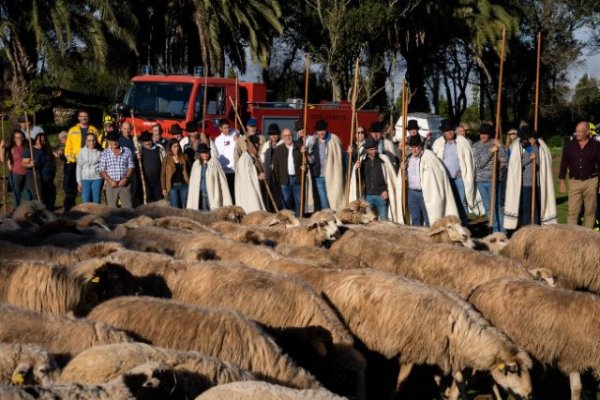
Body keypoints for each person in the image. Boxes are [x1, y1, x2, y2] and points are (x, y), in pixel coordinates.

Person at [397, 134, 459, 226]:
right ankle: (417, 238)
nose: (413, 150)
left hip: (425, 193)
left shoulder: (429, 156)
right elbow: (405, 177)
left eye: (415, 147)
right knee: (415, 218)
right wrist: (403, 169)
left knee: (429, 218)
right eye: (411, 147)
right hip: (412, 193)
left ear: (421, 146)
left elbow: (437, 173)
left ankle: (429, 237)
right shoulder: (408, 159)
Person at [504, 127, 557, 230]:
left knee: (534, 209)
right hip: (524, 183)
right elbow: (515, 164)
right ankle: (526, 228)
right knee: (525, 208)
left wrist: (532, 151)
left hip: (534, 183)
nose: (526, 141)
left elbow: (538, 162)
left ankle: (534, 229)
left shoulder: (537, 146)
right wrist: (529, 158)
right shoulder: (520, 147)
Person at [431, 119, 476, 225]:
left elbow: (469, 159)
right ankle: (452, 227)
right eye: (447, 130)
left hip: (458, 178)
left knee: (461, 203)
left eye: (451, 130)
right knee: (448, 204)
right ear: (444, 132)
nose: (450, 132)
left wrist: (463, 170)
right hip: (445, 180)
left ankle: (464, 226)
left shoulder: (462, 141)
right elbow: (434, 161)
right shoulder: (438, 143)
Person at [559, 121, 600, 229]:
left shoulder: (596, 146)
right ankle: (570, 237)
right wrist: (562, 180)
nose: (577, 133)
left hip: (591, 182)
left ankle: (587, 237)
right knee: (573, 211)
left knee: (590, 211)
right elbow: (564, 163)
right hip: (574, 182)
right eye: (576, 131)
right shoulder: (569, 146)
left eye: (580, 131)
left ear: (587, 132)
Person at [350, 137, 398, 221]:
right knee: (369, 222)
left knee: (384, 221)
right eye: (371, 149)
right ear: (367, 150)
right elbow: (358, 180)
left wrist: (386, 190)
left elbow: (389, 178)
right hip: (368, 196)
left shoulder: (383, 160)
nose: (374, 151)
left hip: (381, 195)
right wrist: (357, 169)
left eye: (375, 148)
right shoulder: (363, 161)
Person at [472, 123, 507, 232]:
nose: (483, 136)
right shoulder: (475, 146)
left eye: (486, 134)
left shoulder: (495, 142)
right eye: (481, 133)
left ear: (489, 134)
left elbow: (504, 159)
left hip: (493, 180)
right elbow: (478, 164)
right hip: (481, 181)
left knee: (497, 207)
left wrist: (500, 148)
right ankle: (496, 230)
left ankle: (503, 231)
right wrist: (490, 151)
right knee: (488, 208)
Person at [64, 110, 99, 211]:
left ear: (88, 118)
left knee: (90, 190)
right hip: (74, 163)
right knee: (71, 189)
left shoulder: (94, 130)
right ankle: (69, 209)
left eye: (86, 116)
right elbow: (67, 148)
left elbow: (99, 145)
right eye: (81, 116)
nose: (84, 118)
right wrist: (72, 159)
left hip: (90, 164)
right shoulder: (72, 130)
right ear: (78, 118)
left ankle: (92, 209)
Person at [307, 119, 344, 211]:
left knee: (333, 198)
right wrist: (306, 155)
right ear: (316, 131)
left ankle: (335, 216)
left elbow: (340, 156)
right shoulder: (313, 141)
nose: (321, 132)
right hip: (319, 176)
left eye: (323, 130)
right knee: (324, 201)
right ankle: (328, 218)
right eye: (319, 130)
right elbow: (312, 160)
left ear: (326, 129)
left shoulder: (334, 139)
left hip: (332, 175)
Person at [187, 143, 232, 211]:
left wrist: (226, 197)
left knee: (212, 212)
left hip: (212, 193)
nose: (205, 154)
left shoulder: (214, 163)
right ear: (199, 154)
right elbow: (192, 183)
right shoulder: (196, 164)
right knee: (202, 212)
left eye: (206, 152)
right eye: (203, 153)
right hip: (200, 194)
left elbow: (222, 180)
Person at [272, 127, 305, 216]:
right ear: (282, 137)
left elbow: (305, 162)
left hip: (297, 179)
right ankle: (288, 222)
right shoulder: (278, 149)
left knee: (298, 202)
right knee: (286, 202)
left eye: (289, 135)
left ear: (292, 136)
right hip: (284, 180)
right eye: (285, 136)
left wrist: (304, 167)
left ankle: (299, 221)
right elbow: (276, 166)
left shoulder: (299, 147)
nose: (287, 137)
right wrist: (278, 180)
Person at [22, 127, 56, 210]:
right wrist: (30, 164)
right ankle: (40, 218)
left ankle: (49, 217)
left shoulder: (46, 149)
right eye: (39, 138)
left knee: (50, 200)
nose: (42, 140)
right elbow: (23, 163)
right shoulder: (30, 149)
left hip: (48, 179)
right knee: (39, 200)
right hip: (36, 178)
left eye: (43, 138)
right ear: (35, 138)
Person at [99, 131, 134, 208]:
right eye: (112, 140)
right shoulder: (104, 153)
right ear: (108, 141)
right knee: (112, 209)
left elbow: (131, 167)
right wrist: (109, 181)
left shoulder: (127, 151)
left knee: (128, 208)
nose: (114, 142)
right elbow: (102, 170)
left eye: (116, 140)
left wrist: (126, 178)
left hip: (125, 184)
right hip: (111, 184)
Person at [235, 134, 268, 213]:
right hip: (248, 195)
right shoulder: (245, 160)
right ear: (251, 146)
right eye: (257, 145)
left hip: (255, 189)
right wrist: (258, 177)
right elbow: (245, 178)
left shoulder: (253, 157)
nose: (259, 147)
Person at [0, 129, 32, 207]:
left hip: (27, 173)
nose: (19, 139)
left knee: (28, 194)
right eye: (17, 138)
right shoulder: (11, 148)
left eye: (21, 137)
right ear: (14, 139)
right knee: (17, 195)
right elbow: (2, 159)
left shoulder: (27, 147)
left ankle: (28, 212)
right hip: (15, 174)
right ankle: (16, 212)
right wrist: (1, 147)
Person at [260, 124, 283, 212]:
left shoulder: (282, 144)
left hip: (279, 175)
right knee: (269, 196)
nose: (273, 136)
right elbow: (262, 160)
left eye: (275, 134)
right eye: (272, 134)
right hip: (269, 175)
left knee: (279, 196)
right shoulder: (266, 145)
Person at [76, 132, 103, 204]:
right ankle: (87, 215)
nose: (92, 142)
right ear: (86, 142)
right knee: (86, 200)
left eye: (93, 140)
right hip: (85, 179)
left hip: (97, 178)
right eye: (89, 140)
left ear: (96, 140)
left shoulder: (100, 151)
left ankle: (97, 215)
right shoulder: (81, 151)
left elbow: (103, 166)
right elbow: (79, 167)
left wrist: (104, 178)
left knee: (96, 201)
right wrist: (79, 182)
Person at [161, 139, 189, 208]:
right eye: (174, 147)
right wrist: (163, 188)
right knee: (175, 207)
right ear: (170, 148)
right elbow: (162, 175)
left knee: (184, 206)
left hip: (183, 185)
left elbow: (189, 170)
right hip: (172, 187)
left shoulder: (184, 157)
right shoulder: (166, 159)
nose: (177, 148)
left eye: (178, 146)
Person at [214, 119, 237, 200]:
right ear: (220, 128)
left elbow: (239, 133)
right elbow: (216, 155)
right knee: (226, 193)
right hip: (223, 171)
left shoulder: (234, 134)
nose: (227, 130)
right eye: (225, 128)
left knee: (234, 192)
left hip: (234, 170)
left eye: (228, 127)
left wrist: (237, 138)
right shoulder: (217, 140)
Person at [139, 131, 165, 202]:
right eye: (145, 141)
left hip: (158, 181)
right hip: (145, 182)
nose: (147, 143)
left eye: (149, 140)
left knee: (159, 201)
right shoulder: (140, 151)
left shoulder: (159, 149)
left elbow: (164, 163)